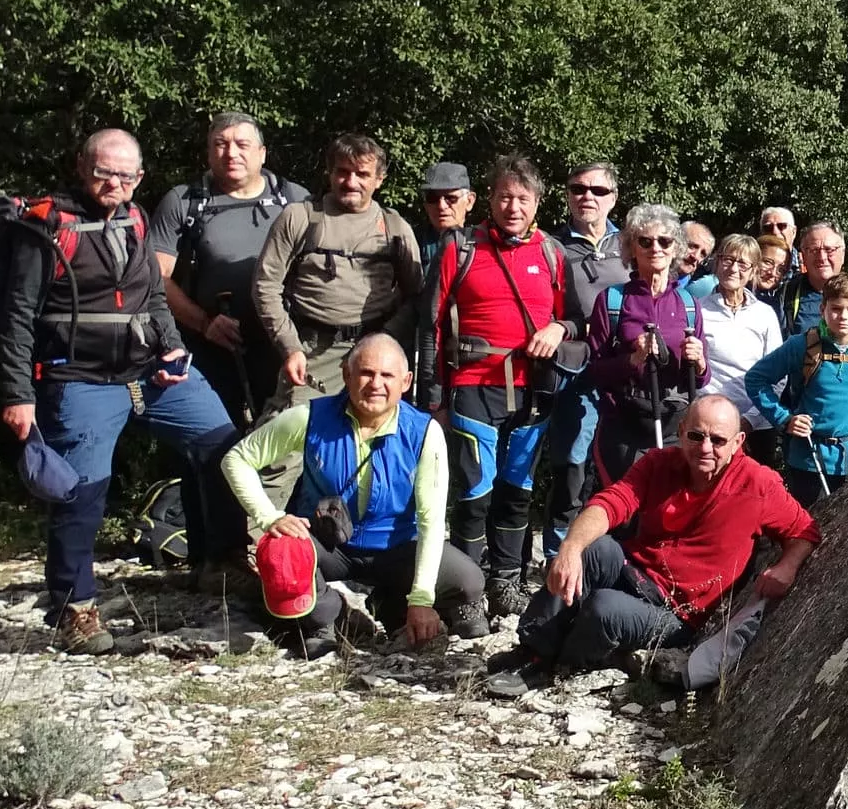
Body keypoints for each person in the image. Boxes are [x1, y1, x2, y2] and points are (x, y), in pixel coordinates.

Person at [0, 130, 236, 653]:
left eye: (127, 175)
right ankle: (72, 608)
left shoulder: (137, 218)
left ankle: (220, 564)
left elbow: (152, 293)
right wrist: (18, 393)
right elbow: (16, 318)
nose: (116, 183)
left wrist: (173, 347)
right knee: (83, 492)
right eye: (106, 172)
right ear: (83, 167)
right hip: (78, 379)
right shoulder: (46, 227)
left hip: (151, 372)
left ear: (140, 178)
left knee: (227, 449)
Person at [505, 395, 818, 689]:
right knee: (593, 549)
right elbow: (611, 503)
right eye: (696, 436)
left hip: (679, 611)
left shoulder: (758, 484)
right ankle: (533, 649)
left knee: (605, 608)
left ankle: (560, 667)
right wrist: (570, 547)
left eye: (718, 440)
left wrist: (786, 567)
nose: (705, 447)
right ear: (681, 432)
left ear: (738, 443)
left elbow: (805, 531)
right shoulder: (660, 463)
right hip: (637, 571)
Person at [221, 334, 489, 654]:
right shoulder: (309, 418)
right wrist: (269, 517)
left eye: (387, 376)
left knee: (469, 581)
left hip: (396, 547)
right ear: (346, 375)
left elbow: (432, 521)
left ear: (405, 382)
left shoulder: (425, 432)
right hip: (329, 545)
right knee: (280, 551)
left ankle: (392, 602)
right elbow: (236, 459)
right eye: (366, 373)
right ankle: (328, 617)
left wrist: (421, 600)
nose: (376, 384)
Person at [415, 155, 566, 616]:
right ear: (488, 200)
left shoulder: (551, 252)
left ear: (537, 203)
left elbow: (572, 319)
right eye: (504, 196)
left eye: (523, 198)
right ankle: (467, 593)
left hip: (532, 391)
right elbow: (430, 326)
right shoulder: (460, 247)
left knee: (517, 491)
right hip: (471, 386)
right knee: (475, 492)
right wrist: (433, 399)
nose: (513, 206)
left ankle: (506, 582)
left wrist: (559, 329)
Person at [151, 112, 308, 430]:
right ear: (208, 153)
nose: (231, 153)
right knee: (213, 446)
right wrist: (204, 323)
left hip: (282, 349)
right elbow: (156, 279)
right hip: (208, 347)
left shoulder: (295, 200)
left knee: (285, 442)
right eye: (220, 144)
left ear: (262, 153)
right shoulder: (184, 202)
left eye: (242, 144)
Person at [253, 133, 425, 411]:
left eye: (362, 174)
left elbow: (416, 295)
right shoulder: (300, 218)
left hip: (376, 354)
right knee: (291, 438)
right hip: (313, 351)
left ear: (379, 179)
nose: (351, 182)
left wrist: (387, 337)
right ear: (329, 173)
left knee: (371, 436)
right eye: (343, 172)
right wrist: (290, 347)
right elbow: (265, 286)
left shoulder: (395, 228)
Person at [744, 272, 848, 504]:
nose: (843, 316)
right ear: (822, 310)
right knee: (809, 530)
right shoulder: (801, 345)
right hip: (808, 458)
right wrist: (784, 419)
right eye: (836, 308)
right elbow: (756, 379)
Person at [539, 162, 632, 553]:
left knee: (621, 464)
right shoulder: (549, 246)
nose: (587, 197)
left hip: (626, 372)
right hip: (575, 370)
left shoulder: (633, 243)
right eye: (578, 188)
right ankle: (557, 553)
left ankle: (612, 553)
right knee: (571, 465)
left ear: (614, 198)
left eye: (597, 190)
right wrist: (565, 326)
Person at [583, 204, 699, 487]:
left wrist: (700, 362)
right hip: (625, 423)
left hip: (674, 421)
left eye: (665, 241)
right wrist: (632, 359)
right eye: (644, 241)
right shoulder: (612, 300)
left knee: (672, 511)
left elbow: (699, 378)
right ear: (631, 248)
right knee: (629, 514)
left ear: (675, 248)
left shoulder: (688, 304)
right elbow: (594, 371)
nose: (655, 248)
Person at [694, 233, 787, 465]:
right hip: (712, 425)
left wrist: (750, 420)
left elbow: (778, 374)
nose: (734, 268)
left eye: (743, 263)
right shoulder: (698, 311)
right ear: (717, 262)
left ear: (753, 270)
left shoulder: (765, 314)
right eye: (728, 259)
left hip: (758, 424)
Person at [768, 220, 848, 341]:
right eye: (814, 250)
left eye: (830, 250)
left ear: (843, 253)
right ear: (803, 256)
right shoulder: (787, 294)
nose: (822, 257)